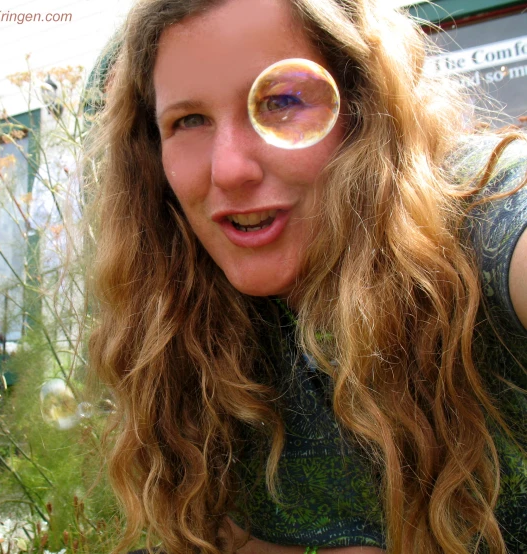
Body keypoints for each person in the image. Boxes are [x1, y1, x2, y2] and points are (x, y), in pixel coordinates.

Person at [84, 0, 527, 552]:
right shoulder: (201, 325)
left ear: (363, 111)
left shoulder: (479, 219)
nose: (229, 169)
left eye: (282, 101)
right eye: (189, 120)